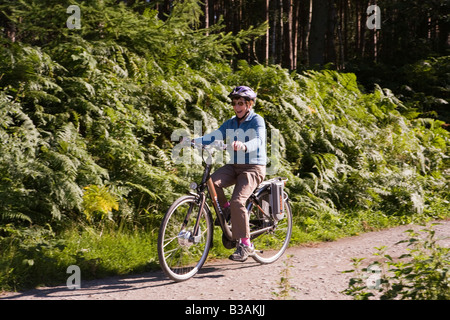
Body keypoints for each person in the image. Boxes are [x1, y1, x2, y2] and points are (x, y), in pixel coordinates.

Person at [192, 86, 267, 262]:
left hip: (253, 167)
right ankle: (228, 212)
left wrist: (245, 146)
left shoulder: (257, 121)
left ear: (249, 104)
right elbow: (215, 136)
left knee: (238, 200)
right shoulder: (231, 122)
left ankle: (245, 244)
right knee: (211, 182)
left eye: (240, 103)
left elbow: (258, 140)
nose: (236, 106)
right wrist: (194, 140)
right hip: (234, 166)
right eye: (234, 103)